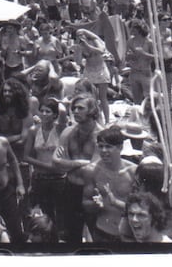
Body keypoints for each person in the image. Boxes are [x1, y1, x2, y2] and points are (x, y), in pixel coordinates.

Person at [52, 92, 103, 243]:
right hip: (70, 188)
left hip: (90, 190)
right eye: (74, 108)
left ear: (92, 110)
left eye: (80, 108)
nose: (75, 111)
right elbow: (55, 163)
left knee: (96, 235)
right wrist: (79, 163)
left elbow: (94, 169)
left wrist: (66, 164)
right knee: (71, 236)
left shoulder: (100, 135)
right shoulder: (68, 132)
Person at [81, 126, 137, 242]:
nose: (104, 151)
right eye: (101, 146)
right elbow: (85, 202)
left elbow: (143, 205)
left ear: (120, 148)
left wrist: (115, 203)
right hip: (103, 231)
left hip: (129, 232)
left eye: (108, 147)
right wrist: (95, 205)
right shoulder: (91, 171)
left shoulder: (133, 171)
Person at [23, 98, 67, 233]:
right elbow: (26, 156)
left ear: (55, 114)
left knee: (61, 213)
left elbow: (64, 112)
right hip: (40, 178)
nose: (44, 114)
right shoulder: (33, 131)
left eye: (48, 111)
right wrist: (47, 166)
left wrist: (59, 102)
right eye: (41, 111)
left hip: (59, 178)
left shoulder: (60, 129)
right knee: (45, 212)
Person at [74, 29, 111, 123]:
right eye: (78, 35)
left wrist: (87, 45)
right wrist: (78, 51)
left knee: (103, 98)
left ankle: (107, 120)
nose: (80, 37)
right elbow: (78, 62)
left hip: (101, 70)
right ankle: (94, 119)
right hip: (89, 71)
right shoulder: (79, 46)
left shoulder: (95, 41)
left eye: (81, 34)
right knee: (91, 98)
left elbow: (101, 51)